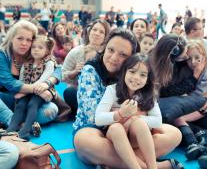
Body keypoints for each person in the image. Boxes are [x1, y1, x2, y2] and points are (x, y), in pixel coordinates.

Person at [73, 28, 182, 169]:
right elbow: (94, 118)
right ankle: (156, 166)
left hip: (131, 133)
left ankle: (113, 163)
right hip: (98, 131)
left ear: (131, 59)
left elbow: (153, 118)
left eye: (123, 54)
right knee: (85, 141)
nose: (113, 58)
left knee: (174, 133)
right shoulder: (93, 71)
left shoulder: (139, 83)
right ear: (104, 48)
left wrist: (134, 119)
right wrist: (123, 114)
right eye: (110, 50)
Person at [151, 34, 207, 169]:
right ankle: (203, 143)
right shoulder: (165, 70)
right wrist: (195, 78)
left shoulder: (192, 61)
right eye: (185, 56)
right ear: (173, 55)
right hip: (176, 112)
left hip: (196, 107)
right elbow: (168, 94)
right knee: (186, 123)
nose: (189, 59)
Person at [95, 53, 161, 169]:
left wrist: (133, 118)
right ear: (124, 72)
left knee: (139, 123)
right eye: (132, 71)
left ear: (147, 80)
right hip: (116, 137)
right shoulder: (112, 90)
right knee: (116, 128)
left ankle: (153, 167)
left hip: (135, 137)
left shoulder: (148, 95)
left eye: (143, 75)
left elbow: (158, 121)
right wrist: (120, 114)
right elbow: (98, 119)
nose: (136, 78)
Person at [0, 20, 58, 127]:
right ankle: (13, 122)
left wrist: (48, 83)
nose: (24, 43)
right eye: (20, 38)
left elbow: (57, 68)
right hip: (4, 99)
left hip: (25, 100)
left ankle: (13, 120)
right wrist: (38, 90)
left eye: (28, 40)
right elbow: (10, 83)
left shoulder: (33, 53)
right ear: (11, 38)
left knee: (51, 110)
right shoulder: (2, 54)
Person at [173, 40, 207, 160]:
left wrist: (185, 94)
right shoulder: (187, 70)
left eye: (197, 57)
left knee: (177, 118)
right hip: (190, 105)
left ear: (204, 55)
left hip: (202, 107)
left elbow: (198, 98)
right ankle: (201, 134)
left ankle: (193, 143)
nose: (193, 62)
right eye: (189, 58)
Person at [6, 35, 55, 140]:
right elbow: (21, 79)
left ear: (46, 51)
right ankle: (10, 130)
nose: (36, 50)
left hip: (42, 90)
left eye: (40, 48)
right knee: (20, 105)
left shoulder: (49, 63)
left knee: (33, 104)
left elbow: (43, 79)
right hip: (27, 90)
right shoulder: (26, 63)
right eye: (34, 47)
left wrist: (25, 91)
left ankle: (25, 131)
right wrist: (22, 90)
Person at [62, 19, 110, 116]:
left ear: (105, 37)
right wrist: (75, 72)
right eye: (94, 30)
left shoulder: (108, 54)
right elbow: (62, 76)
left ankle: (91, 112)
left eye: (101, 32)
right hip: (80, 91)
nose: (97, 33)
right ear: (89, 31)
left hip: (101, 93)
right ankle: (89, 112)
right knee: (69, 92)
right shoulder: (76, 52)